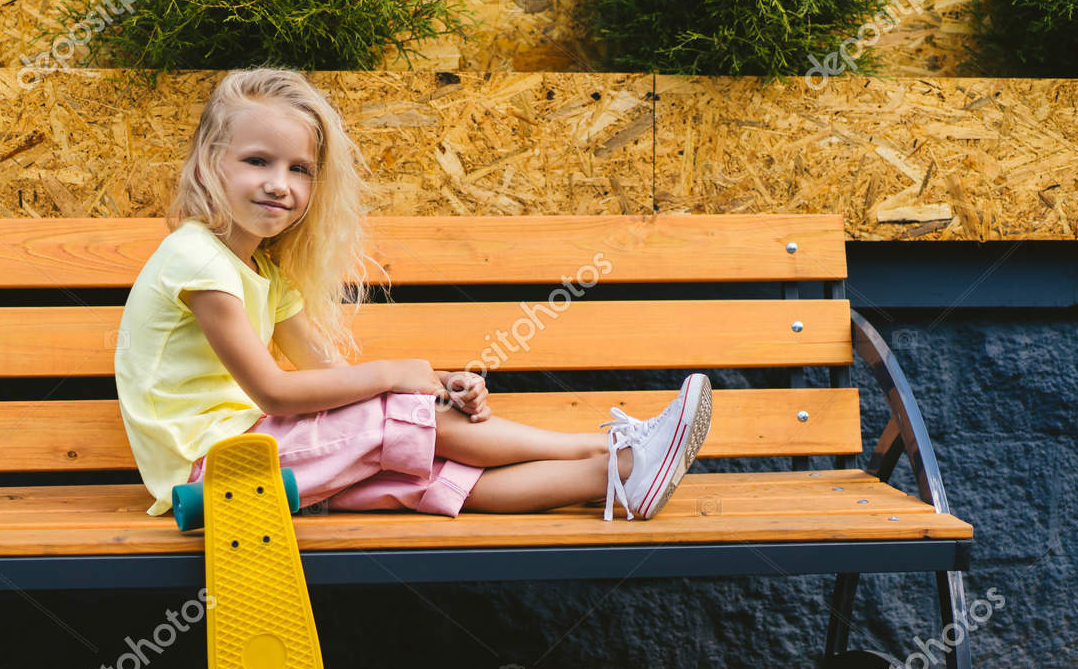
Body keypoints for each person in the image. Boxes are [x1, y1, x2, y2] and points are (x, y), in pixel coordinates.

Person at [114, 67, 713, 522]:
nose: (280, 184)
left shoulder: (267, 273)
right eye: (257, 161)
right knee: (406, 416)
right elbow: (274, 390)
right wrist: (400, 377)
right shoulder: (196, 260)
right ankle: (614, 445)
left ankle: (626, 475)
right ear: (210, 163)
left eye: (300, 169)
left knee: (437, 469)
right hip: (215, 473)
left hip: (266, 463)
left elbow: (327, 375)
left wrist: (434, 382)